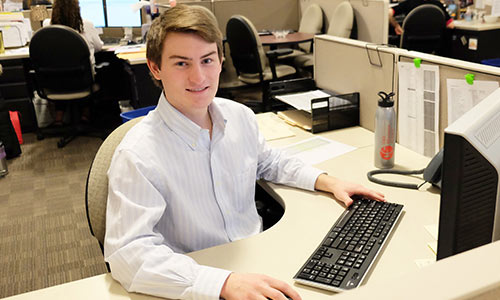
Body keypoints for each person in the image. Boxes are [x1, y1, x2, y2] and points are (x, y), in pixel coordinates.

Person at [104, 5, 385, 300]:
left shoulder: (239, 116)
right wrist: (223, 284)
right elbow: (128, 254)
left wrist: (329, 181)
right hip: (196, 280)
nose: (199, 77)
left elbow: (269, 161)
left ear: (221, 60)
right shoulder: (137, 154)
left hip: (259, 259)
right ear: (155, 68)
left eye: (207, 60)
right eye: (181, 64)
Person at [42, 0, 103, 125]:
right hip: (83, 81)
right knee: (84, 72)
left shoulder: (47, 25)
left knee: (62, 71)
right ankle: (85, 115)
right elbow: (99, 48)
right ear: (77, 8)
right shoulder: (87, 25)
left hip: (55, 83)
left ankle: (59, 118)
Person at [389, 0, 455, 35]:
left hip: (410, 47)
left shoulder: (409, 3)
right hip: (433, 48)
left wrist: (396, 26)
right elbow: (451, 25)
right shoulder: (438, 5)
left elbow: (388, 13)